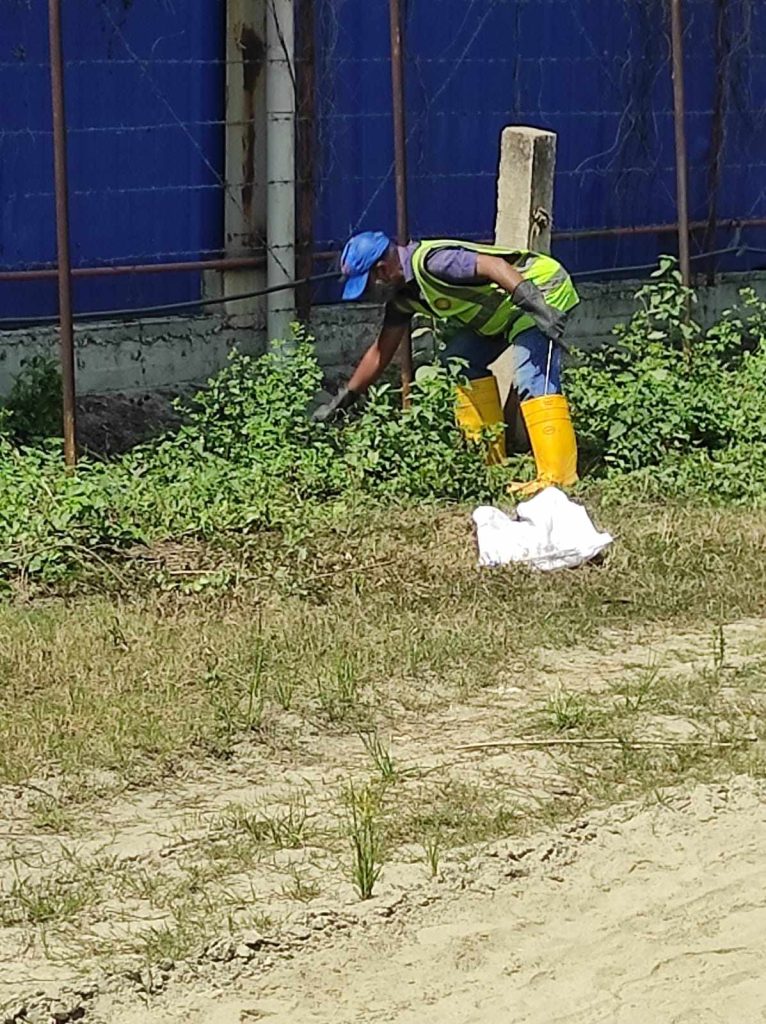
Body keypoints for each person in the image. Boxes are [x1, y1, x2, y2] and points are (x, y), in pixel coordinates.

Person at [315, 231, 580, 493]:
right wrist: (346, 397)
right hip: (504, 313)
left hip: (540, 291)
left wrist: (535, 304)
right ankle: (488, 460)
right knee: (458, 361)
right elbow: (381, 352)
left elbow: (494, 266)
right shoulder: (403, 298)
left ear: (382, 271)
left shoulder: (434, 263)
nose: (371, 294)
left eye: (368, 284)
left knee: (531, 377)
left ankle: (557, 478)